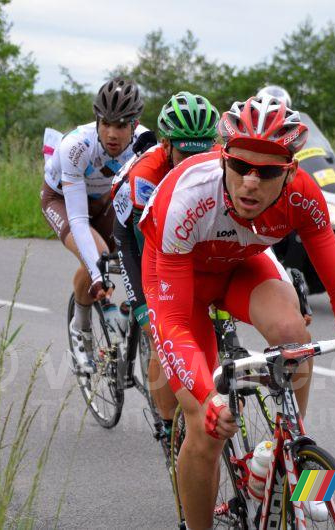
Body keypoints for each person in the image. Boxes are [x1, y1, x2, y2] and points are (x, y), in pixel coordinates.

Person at [139, 95, 335, 529]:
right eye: (240, 167)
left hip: (240, 264)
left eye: (267, 173)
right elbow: (170, 320)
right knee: (204, 428)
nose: (250, 183)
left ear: (291, 173)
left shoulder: (303, 196)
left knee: (293, 333)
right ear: (223, 158)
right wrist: (207, 398)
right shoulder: (187, 195)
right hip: (178, 280)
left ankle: (284, 455)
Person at [111, 90, 220, 436]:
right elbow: (153, 252)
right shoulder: (147, 174)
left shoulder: (222, 160)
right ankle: (168, 425)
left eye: (201, 153)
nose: (193, 163)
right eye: (185, 154)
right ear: (165, 144)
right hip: (135, 236)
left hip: (184, 224)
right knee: (160, 331)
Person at [39, 77, 147, 373]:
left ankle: (124, 315)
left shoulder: (145, 145)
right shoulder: (75, 146)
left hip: (105, 200)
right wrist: (98, 274)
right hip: (62, 200)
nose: (112, 134)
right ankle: (81, 328)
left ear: (135, 125)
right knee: (98, 259)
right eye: (106, 123)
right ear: (97, 121)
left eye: (121, 125)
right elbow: (77, 219)